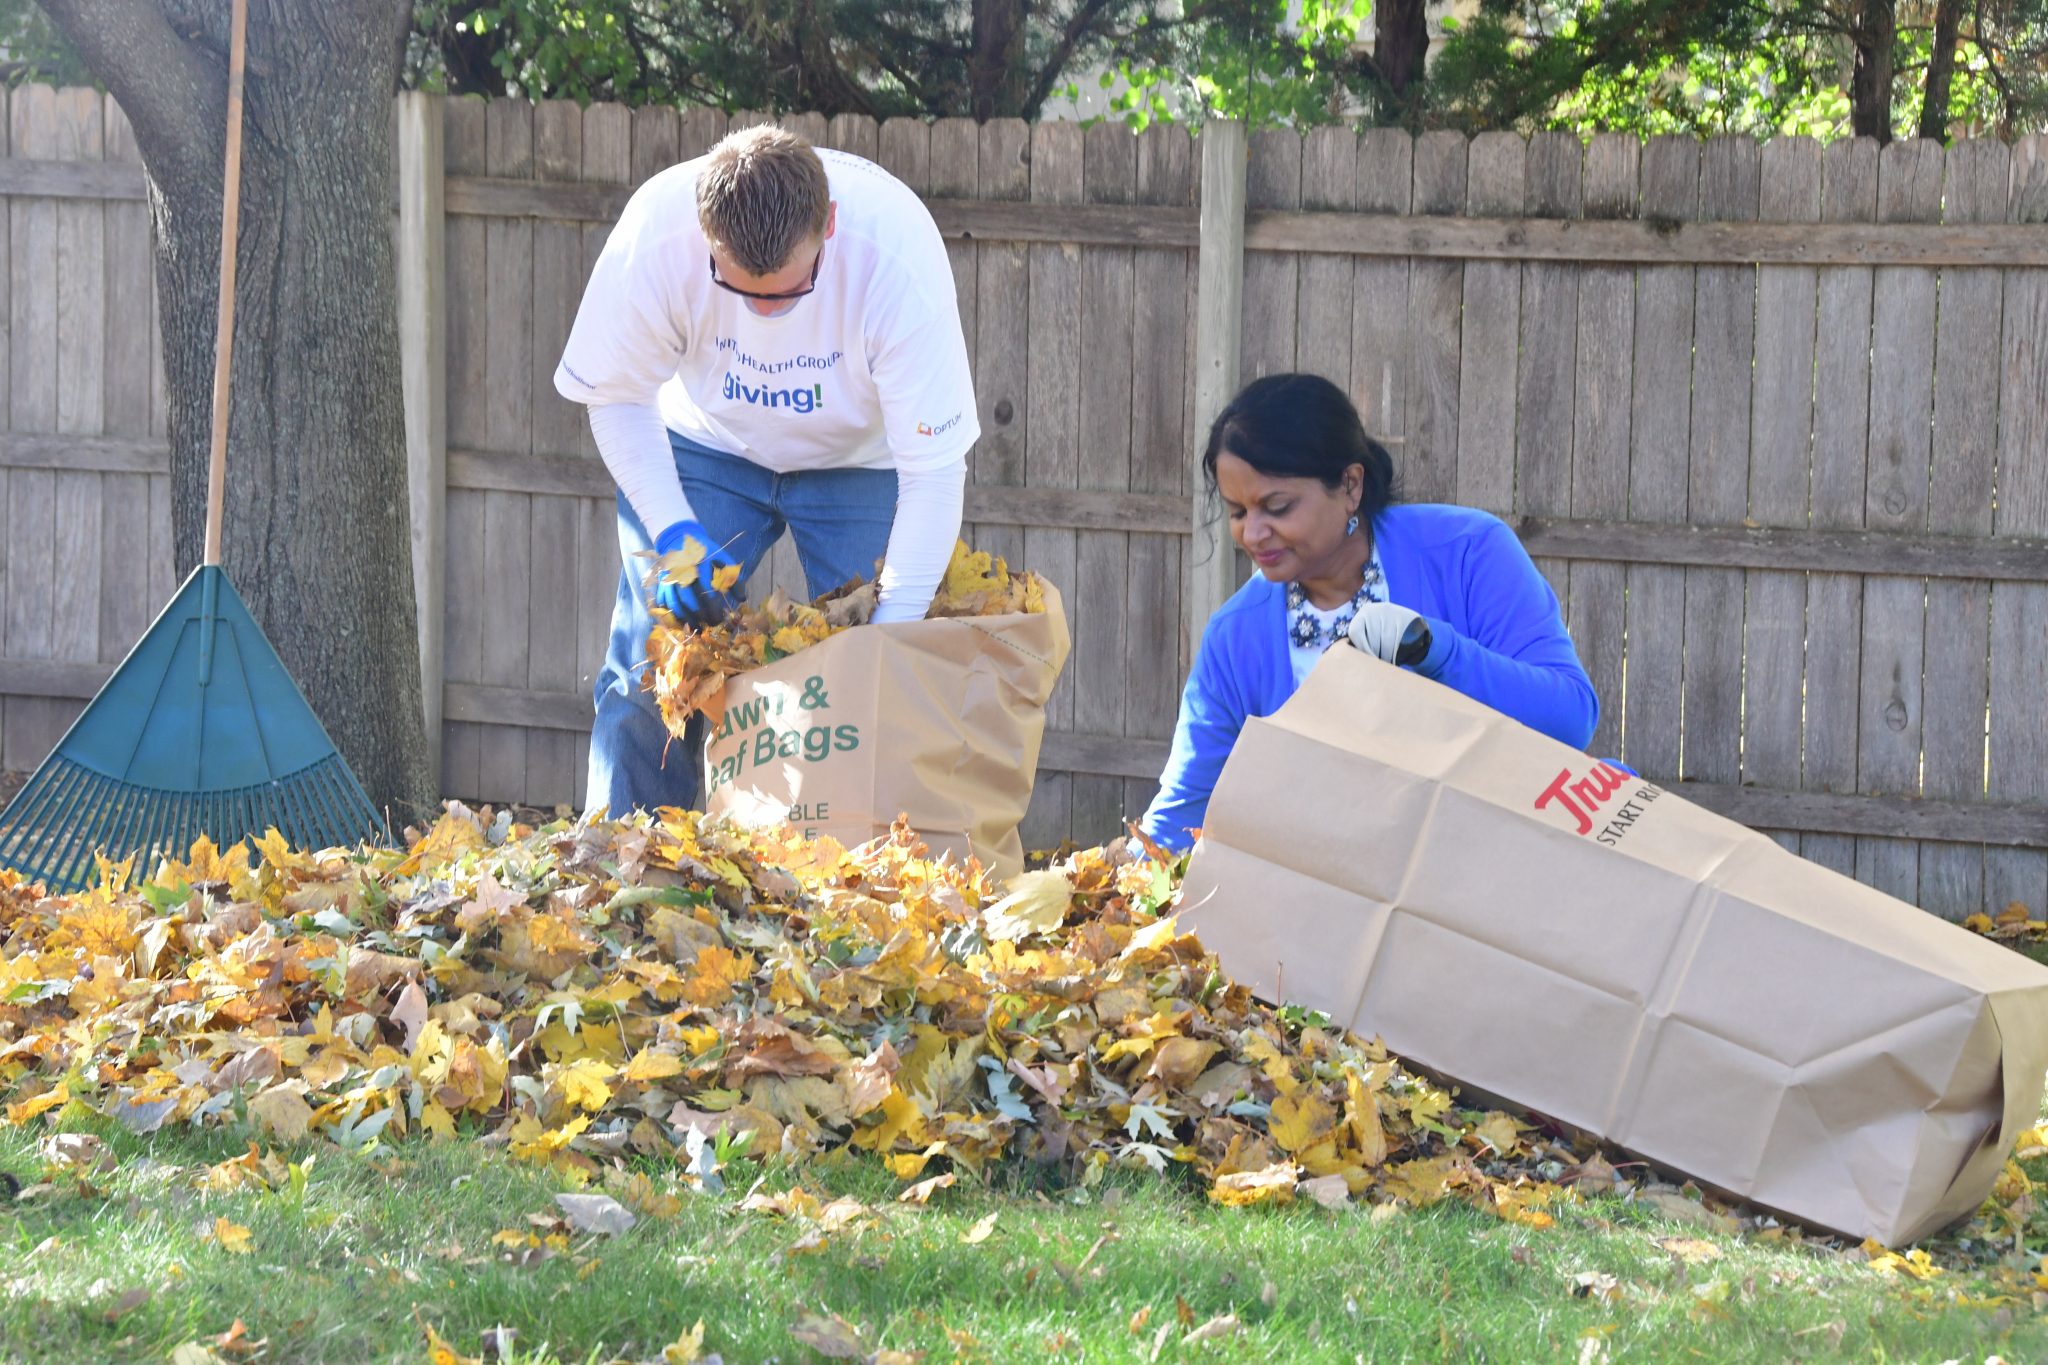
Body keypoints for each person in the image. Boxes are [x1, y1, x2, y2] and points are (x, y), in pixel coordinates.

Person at [554, 126, 978, 815]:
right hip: (705, 447)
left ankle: (856, 877)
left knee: (882, 690)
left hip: (862, 465)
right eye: (740, 287)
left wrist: (887, 633)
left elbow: (934, 475)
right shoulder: (656, 235)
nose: (764, 311)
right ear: (703, 234)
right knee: (645, 671)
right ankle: (622, 868)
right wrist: (672, 532)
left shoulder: (896, 256)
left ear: (830, 226)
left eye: (789, 290)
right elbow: (617, 395)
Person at [1141, 372, 1598, 852]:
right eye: (1237, 513)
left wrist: (1438, 654)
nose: (1253, 534)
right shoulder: (1237, 637)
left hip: (1500, 882)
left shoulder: (1466, 552)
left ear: (1350, 485)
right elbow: (1186, 806)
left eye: (1276, 507)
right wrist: (1101, 891)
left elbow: (1569, 720)